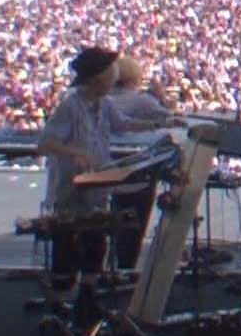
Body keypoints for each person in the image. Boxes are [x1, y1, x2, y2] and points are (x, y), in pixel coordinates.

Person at [34, 47, 158, 291]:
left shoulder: (103, 103)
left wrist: (157, 123)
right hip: (71, 190)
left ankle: (87, 299)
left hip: (96, 189)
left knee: (95, 247)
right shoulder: (70, 106)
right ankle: (61, 299)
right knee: (68, 248)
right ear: (97, 79)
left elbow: (121, 124)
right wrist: (77, 153)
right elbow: (46, 143)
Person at [106, 57, 174, 271]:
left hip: (105, 169)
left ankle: (108, 266)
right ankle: (126, 268)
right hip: (137, 171)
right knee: (133, 225)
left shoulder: (102, 99)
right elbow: (170, 119)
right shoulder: (141, 101)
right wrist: (161, 97)